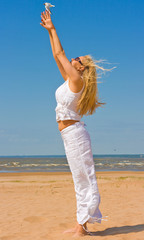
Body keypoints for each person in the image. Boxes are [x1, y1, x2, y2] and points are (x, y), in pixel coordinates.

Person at [40, 10, 109, 237]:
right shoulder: (71, 80)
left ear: (81, 68)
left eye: (76, 59)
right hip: (69, 135)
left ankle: (82, 226)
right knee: (79, 179)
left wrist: (53, 29)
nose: (72, 59)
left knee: (84, 179)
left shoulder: (77, 80)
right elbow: (56, 55)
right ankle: (82, 224)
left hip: (75, 135)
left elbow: (60, 53)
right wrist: (49, 33)